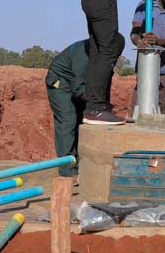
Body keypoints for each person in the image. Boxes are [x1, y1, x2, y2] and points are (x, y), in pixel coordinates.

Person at [44, 35, 124, 177]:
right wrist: (96, 103)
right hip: (61, 83)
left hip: (80, 87)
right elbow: (77, 88)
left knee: (83, 122)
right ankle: (67, 170)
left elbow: (103, 84)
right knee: (68, 121)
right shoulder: (83, 54)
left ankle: (81, 165)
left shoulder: (106, 57)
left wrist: (104, 105)